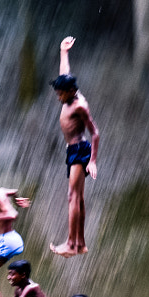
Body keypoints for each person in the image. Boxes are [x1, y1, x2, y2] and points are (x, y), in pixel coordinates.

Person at [49, 36, 100, 258]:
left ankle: (71, 244)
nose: (58, 97)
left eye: (61, 93)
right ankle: (81, 244)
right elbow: (64, 72)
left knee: (72, 196)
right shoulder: (68, 95)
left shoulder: (80, 106)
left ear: (71, 90)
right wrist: (64, 51)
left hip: (80, 150)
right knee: (78, 197)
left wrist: (93, 161)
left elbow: (95, 132)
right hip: (73, 150)